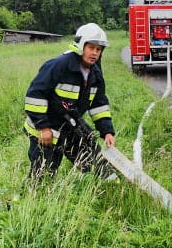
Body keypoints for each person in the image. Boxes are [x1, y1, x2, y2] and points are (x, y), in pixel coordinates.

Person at [23, 23, 117, 181]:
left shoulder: (95, 74)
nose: (95, 53)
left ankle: (108, 188)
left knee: (95, 163)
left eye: (98, 49)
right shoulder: (59, 66)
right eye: (91, 48)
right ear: (81, 45)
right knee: (43, 174)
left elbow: (98, 104)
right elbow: (35, 95)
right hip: (45, 130)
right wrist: (43, 127)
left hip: (70, 126)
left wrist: (107, 131)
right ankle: (31, 199)